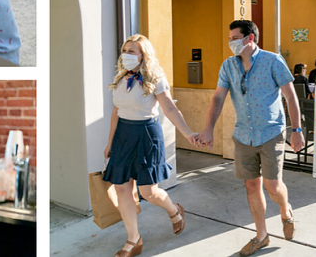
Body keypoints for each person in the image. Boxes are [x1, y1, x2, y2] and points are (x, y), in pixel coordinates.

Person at [199, 20, 303, 256]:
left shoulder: (272, 61)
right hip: (243, 134)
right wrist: (208, 129)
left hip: (271, 132)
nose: (230, 42)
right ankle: (261, 235)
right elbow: (218, 98)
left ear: (250, 38)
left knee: (273, 186)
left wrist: (296, 130)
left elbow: (290, 96)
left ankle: (285, 210)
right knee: (251, 186)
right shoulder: (228, 66)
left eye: (234, 38)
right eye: (229, 38)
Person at [104, 35, 197, 257]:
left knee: (149, 192)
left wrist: (188, 133)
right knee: (121, 188)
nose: (126, 54)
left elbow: (170, 110)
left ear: (143, 55)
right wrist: (109, 143)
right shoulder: (120, 78)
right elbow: (116, 113)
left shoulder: (156, 77)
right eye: (125, 50)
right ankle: (133, 239)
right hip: (122, 137)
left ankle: (174, 210)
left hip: (146, 135)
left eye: (132, 51)